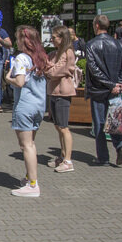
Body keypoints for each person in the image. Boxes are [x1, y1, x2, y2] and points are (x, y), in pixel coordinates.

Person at [7, 26, 48, 197]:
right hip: (39, 104)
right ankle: (29, 177)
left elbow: (20, 82)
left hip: (25, 105)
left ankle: (33, 185)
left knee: (26, 145)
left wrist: (8, 77)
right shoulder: (41, 57)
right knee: (31, 143)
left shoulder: (21, 59)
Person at [85, 15, 122, 166]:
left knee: (99, 123)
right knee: (115, 121)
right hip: (114, 90)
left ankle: (103, 157)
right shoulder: (118, 44)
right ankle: (120, 145)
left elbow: (94, 69)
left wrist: (111, 84)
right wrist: (119, 83)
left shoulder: (91, 45)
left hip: (99, 90)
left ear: (97, 25)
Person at [44, 25, 76, 173]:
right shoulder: (54, 53)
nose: (52, 39)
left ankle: (68, 161)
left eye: (54, 37)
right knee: (58, 126)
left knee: (64, 127)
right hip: (54, 92)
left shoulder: (68, 53)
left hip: (63, 93)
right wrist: (50, 69)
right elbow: (47, 68)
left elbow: (58, 70)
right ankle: (62, 155)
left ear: (62, 38)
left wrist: (50, 70)